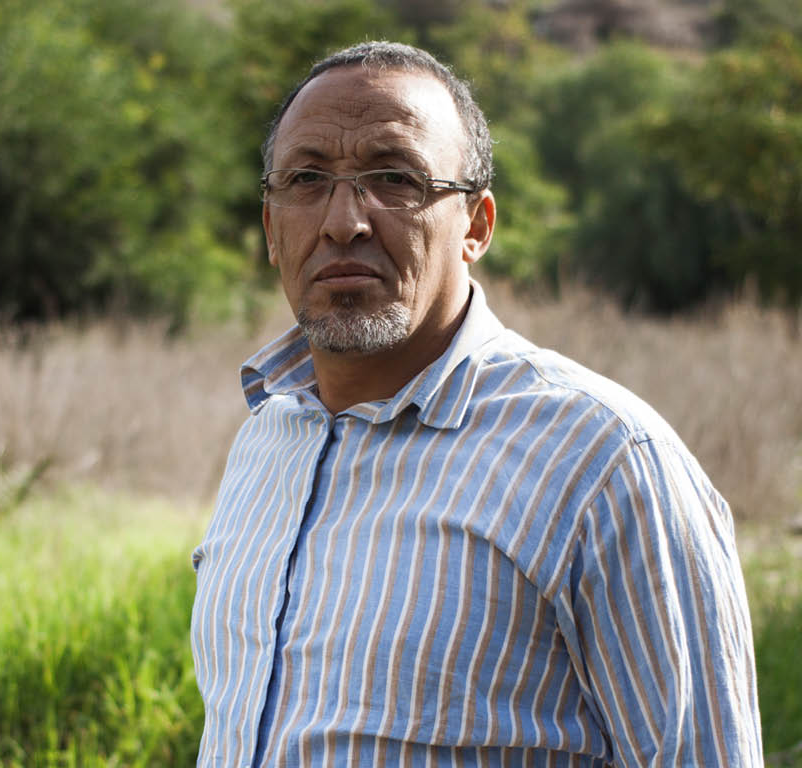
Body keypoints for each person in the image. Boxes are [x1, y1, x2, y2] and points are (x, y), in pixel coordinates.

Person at [191, 41, 762, 767]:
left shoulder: (605, 462)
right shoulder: (271, 430)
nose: (342, 221)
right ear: (272, 230)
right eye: (305, 179)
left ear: (477, 226)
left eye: (395, 178)